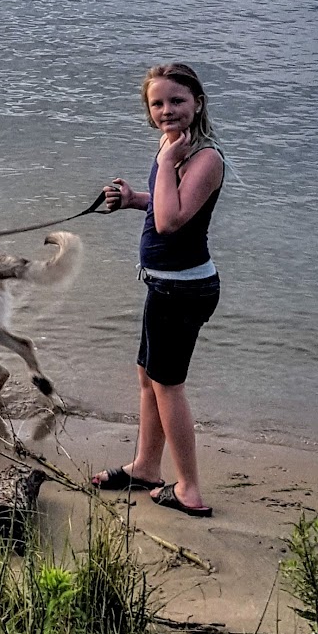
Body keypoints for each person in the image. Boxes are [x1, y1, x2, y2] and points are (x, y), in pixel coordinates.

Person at [92, 62, 224, 516]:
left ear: (198, 103)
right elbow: (166, 202)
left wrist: (166, 162)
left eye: (177, 101)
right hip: (164, 286)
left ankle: (189, 488)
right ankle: (147, 466)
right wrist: (133, 200)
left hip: (184, 289)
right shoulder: (172, 147)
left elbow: (170, 222)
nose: (167, 110)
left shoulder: (204, 157)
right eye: (158, 103)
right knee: (147, 377)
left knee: (169, 386)